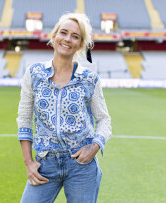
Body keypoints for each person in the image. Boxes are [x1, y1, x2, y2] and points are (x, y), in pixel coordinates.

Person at [17, 13, 112, 203]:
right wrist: (29, 162)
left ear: (80, 44)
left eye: (75, 36)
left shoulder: (89, 79)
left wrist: (94, 146)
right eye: (64, 32)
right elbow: (24, 118)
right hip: (45, 164)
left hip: (81, 166)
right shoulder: (34, 74)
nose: (68, 39)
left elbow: (104, 120)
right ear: (54, 36)